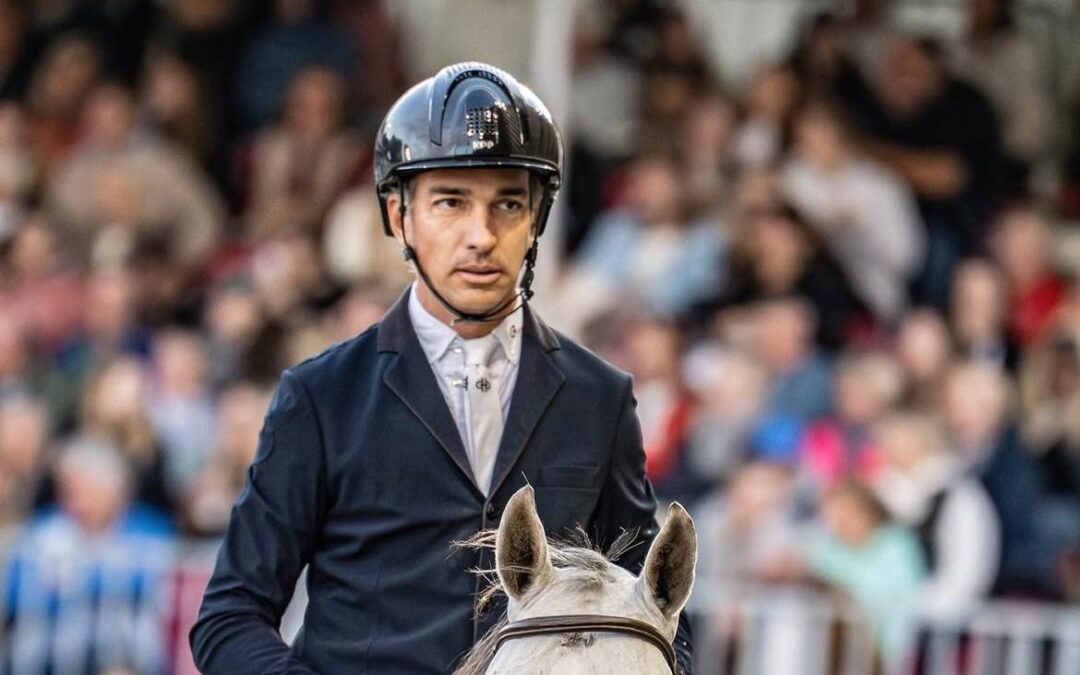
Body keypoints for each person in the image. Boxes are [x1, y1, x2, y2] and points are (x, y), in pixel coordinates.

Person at [190, 62, 694, 674]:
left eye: (508, 204)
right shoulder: (319, 397)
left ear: (535, 220)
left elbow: (658, 606)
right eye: (451, 202)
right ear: (400, 217)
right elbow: (230, 616)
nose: (481, 235)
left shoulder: (600, 397)